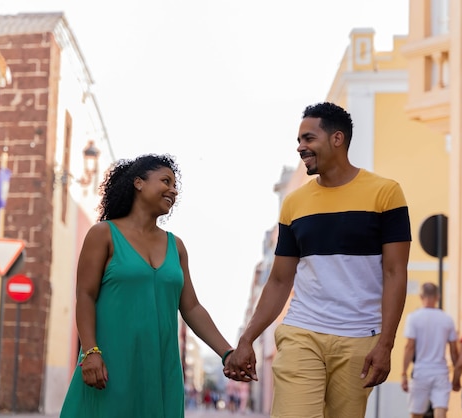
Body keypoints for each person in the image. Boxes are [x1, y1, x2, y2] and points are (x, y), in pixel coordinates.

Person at [224, 102, 412, 418]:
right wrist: (246, 339)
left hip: (359, 338)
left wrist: (386, 344)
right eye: (299, 141)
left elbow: (395, 272)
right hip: (302, 331)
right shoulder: (295, 203)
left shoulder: (386, 194)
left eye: (308, 139)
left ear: (337, 139)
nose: (301, 147)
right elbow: (280, 280)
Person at [59, 154, 234, 418]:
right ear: (138, 183)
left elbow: (192, 308)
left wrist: (227, 353)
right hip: (111, 363)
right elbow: (85, 296)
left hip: (161, 369)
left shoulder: (177, 246)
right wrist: (90, 352)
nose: (173, 190)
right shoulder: (103, 234)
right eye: (166, 181)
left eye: (175, 186)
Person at [401, 282, 458, 418]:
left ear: (421, 296)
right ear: (437, 297)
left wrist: (403, 373)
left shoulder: (413, 318)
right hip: (441, 371)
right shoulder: (447, 319)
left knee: (416, 413)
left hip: (421, 371)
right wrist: (457, 373)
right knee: (441, 410)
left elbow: (409, 347)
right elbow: (454, 351)